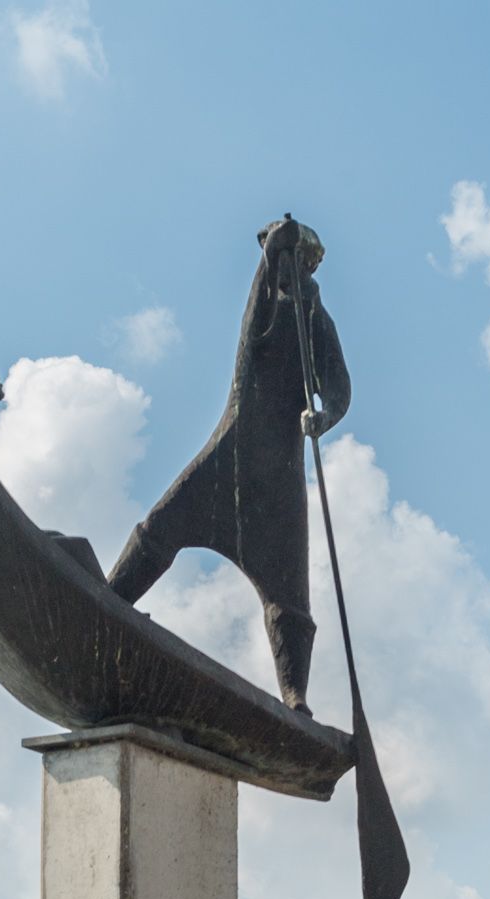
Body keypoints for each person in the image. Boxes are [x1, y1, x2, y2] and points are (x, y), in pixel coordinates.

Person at [107, 215, 349, 716]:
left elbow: (340, 388)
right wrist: (276, 247)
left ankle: (295, 694)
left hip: (281, 474)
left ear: (309, 266)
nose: (285, 271)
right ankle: (110, 600)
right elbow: (265, 281)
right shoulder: (264, 306)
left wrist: (323, 416)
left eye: (296, 262)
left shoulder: (318, 325)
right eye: (281, 261)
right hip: (232, 452)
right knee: (160, 527)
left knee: (290, 598)